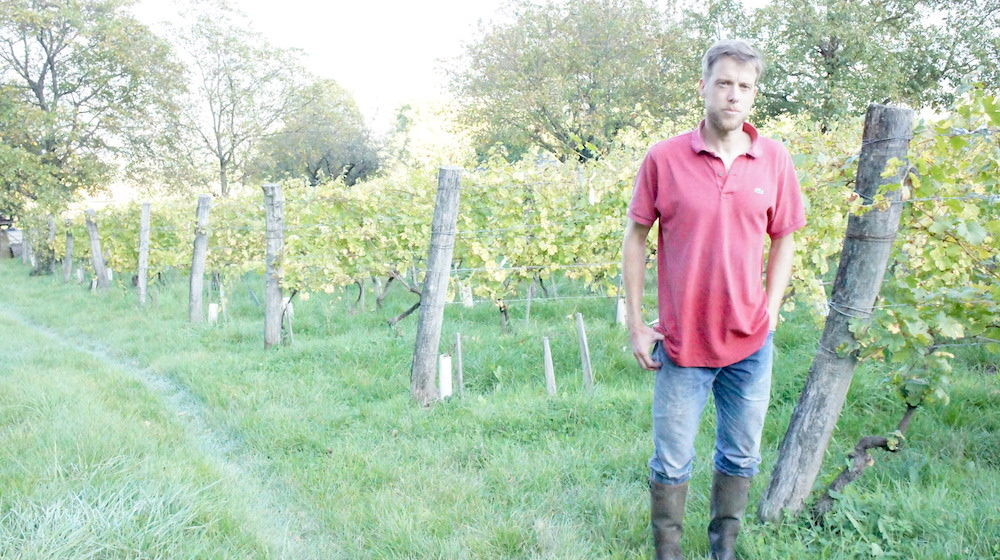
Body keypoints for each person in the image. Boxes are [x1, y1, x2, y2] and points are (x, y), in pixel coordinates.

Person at [622, 39, 805, 560]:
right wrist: (637, 324)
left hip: (751, 342)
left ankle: (723, 548)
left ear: (754, 96)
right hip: (682, 340)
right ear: (703, 86)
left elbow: (785, 234)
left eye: (744, 87)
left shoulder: (773, 160)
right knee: (672, 459)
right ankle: (669, 552)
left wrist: (770, 306)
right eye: (724, 82)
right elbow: (636, 237)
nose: (733, 95)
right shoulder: (664, 158)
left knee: (741, 453)